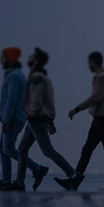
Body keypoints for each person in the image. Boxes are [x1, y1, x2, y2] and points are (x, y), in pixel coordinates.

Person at [57, 51, 104, 192]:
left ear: (94, 62)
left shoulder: (102, 78)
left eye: (89, 62)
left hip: (102, 118)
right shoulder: (101, 77)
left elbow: (96, 97)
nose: (88, 65)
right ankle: (75, 179)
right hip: (99, 118)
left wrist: (77, 109)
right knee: (88, 149)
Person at [12, 47, 78, 192]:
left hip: (36, 120)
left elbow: (36, 102)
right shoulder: (41, 76)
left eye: (31, 56)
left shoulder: (37, 77)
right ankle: (19, 182)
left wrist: (29, 115)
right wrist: (50, 121)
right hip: (35, 121)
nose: (28, 57)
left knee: (48, 151)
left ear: (36, 61)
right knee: (22, 149)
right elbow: (48, 101)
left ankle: (73, 175)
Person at [0, 47, 48, 191]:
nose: (0, 61)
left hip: (14, 118)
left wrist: (5, 120)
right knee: (3, 149)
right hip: (12, 116)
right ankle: (6, 180)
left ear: (10, 59)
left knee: (8, 149)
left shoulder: (14, 76)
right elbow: (7, 99)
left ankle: (37, 169)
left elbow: (12, 100)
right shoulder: (12, 75)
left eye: (3, 58)